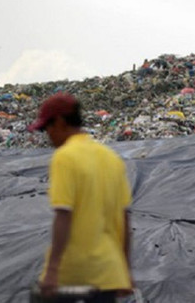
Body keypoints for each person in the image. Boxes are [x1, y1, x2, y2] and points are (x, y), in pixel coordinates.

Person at [28, 93, 134, 302]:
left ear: (59, 122)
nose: (47, 135)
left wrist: (52, 270)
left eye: (46, 128)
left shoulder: (65, 157)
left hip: (75, 274)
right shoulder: (111, 158)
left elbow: (64, 215)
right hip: (109, 274)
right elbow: (125, 220)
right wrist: (125, 272)